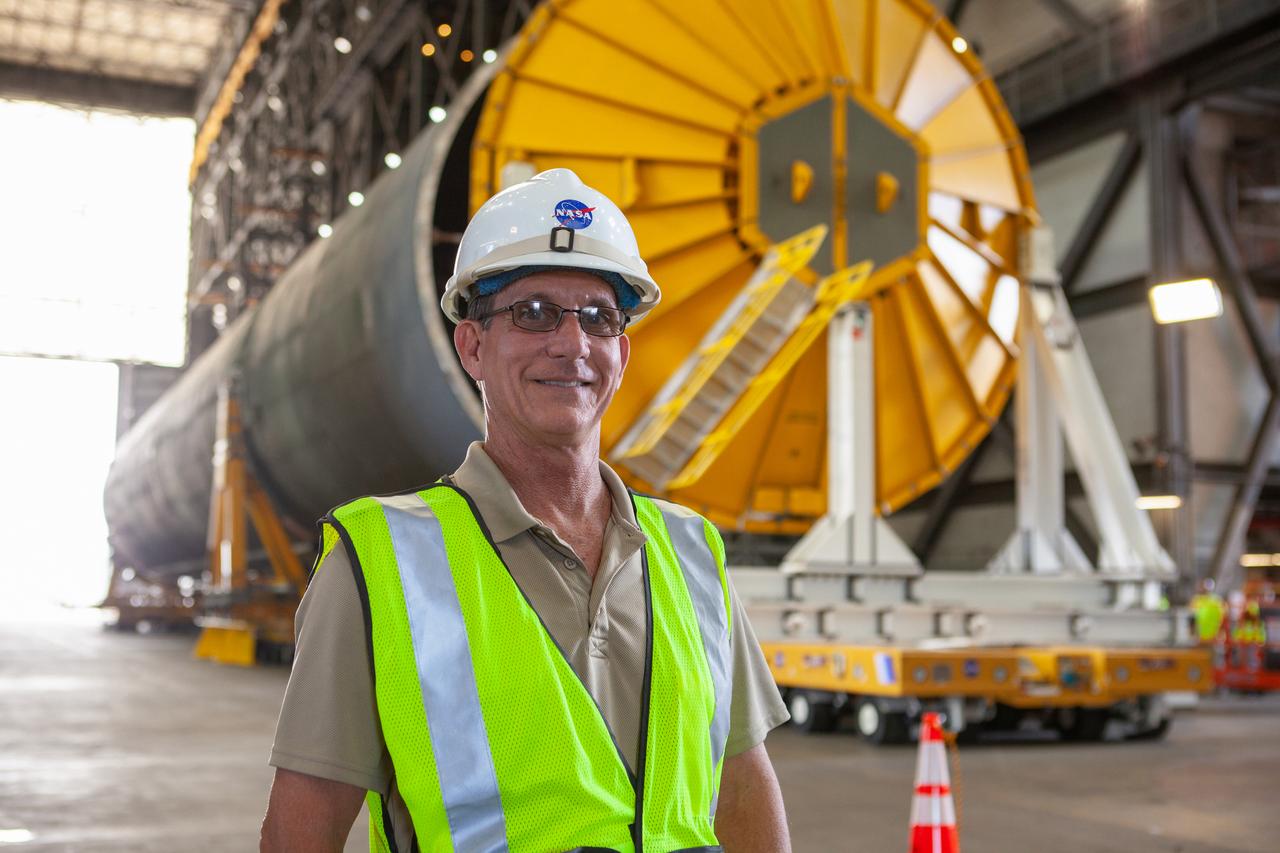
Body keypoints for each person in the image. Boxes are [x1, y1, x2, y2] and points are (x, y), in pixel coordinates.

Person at [260, 168, 792, 852]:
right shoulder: (380, 565)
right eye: (534, 312)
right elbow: (301, 829)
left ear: (621, 353)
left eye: (598, 317)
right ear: (473, 345)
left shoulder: (690, 552)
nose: (571, 344)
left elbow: (743, 785)